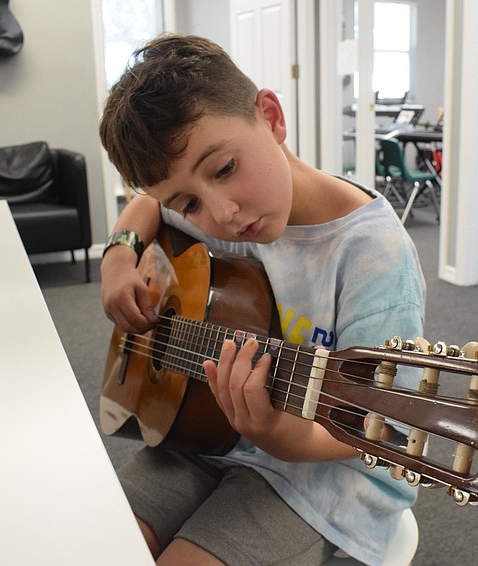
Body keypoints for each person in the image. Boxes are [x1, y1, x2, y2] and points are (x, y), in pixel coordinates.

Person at [99, 34, 426, 565]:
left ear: (271, 116)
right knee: (96, 545)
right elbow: (148, 205)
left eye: (224, 168)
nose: (221, 214)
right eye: (188, 203)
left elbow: (382, 422)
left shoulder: (374, 255)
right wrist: (118, 255)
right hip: (203, 433)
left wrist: (279, 434)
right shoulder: (212, 206)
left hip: (323, 476)